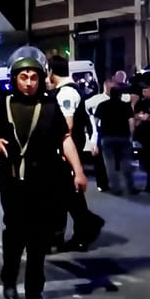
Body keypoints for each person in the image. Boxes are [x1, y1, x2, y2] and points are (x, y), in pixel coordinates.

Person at [0, 46, 89, 299]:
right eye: (23, 77)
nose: (29, 83)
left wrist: (79, 172)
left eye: (34, 77)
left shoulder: (50, 106)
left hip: (43, 182)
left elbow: (65, 139)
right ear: (14, 78)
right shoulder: (3, 104)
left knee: (39, 237)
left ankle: (35, 289)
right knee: (14, 235)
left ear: (41, 78)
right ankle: (9, 281)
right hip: (12, 182)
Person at [49, 55, 105, 252]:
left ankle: (86, 227)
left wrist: (64, 152)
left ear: (51, 72)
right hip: (68, 151)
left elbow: (68, 126)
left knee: (68, 194)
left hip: (68, 152)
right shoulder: (66, 91)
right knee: (65, 195)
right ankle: (70, 232)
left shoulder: (66, 93)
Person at [96, 80, 138, 195]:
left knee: (110, 164)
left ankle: (115, 188)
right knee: (126, 162)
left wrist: (98, 135)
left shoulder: (102, 105)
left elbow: (96, 121)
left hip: (107, 137)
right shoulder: (126, 106)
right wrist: (131, 136)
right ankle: (130, 187)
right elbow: (131, 123)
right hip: (123, 136)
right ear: (120, 95)